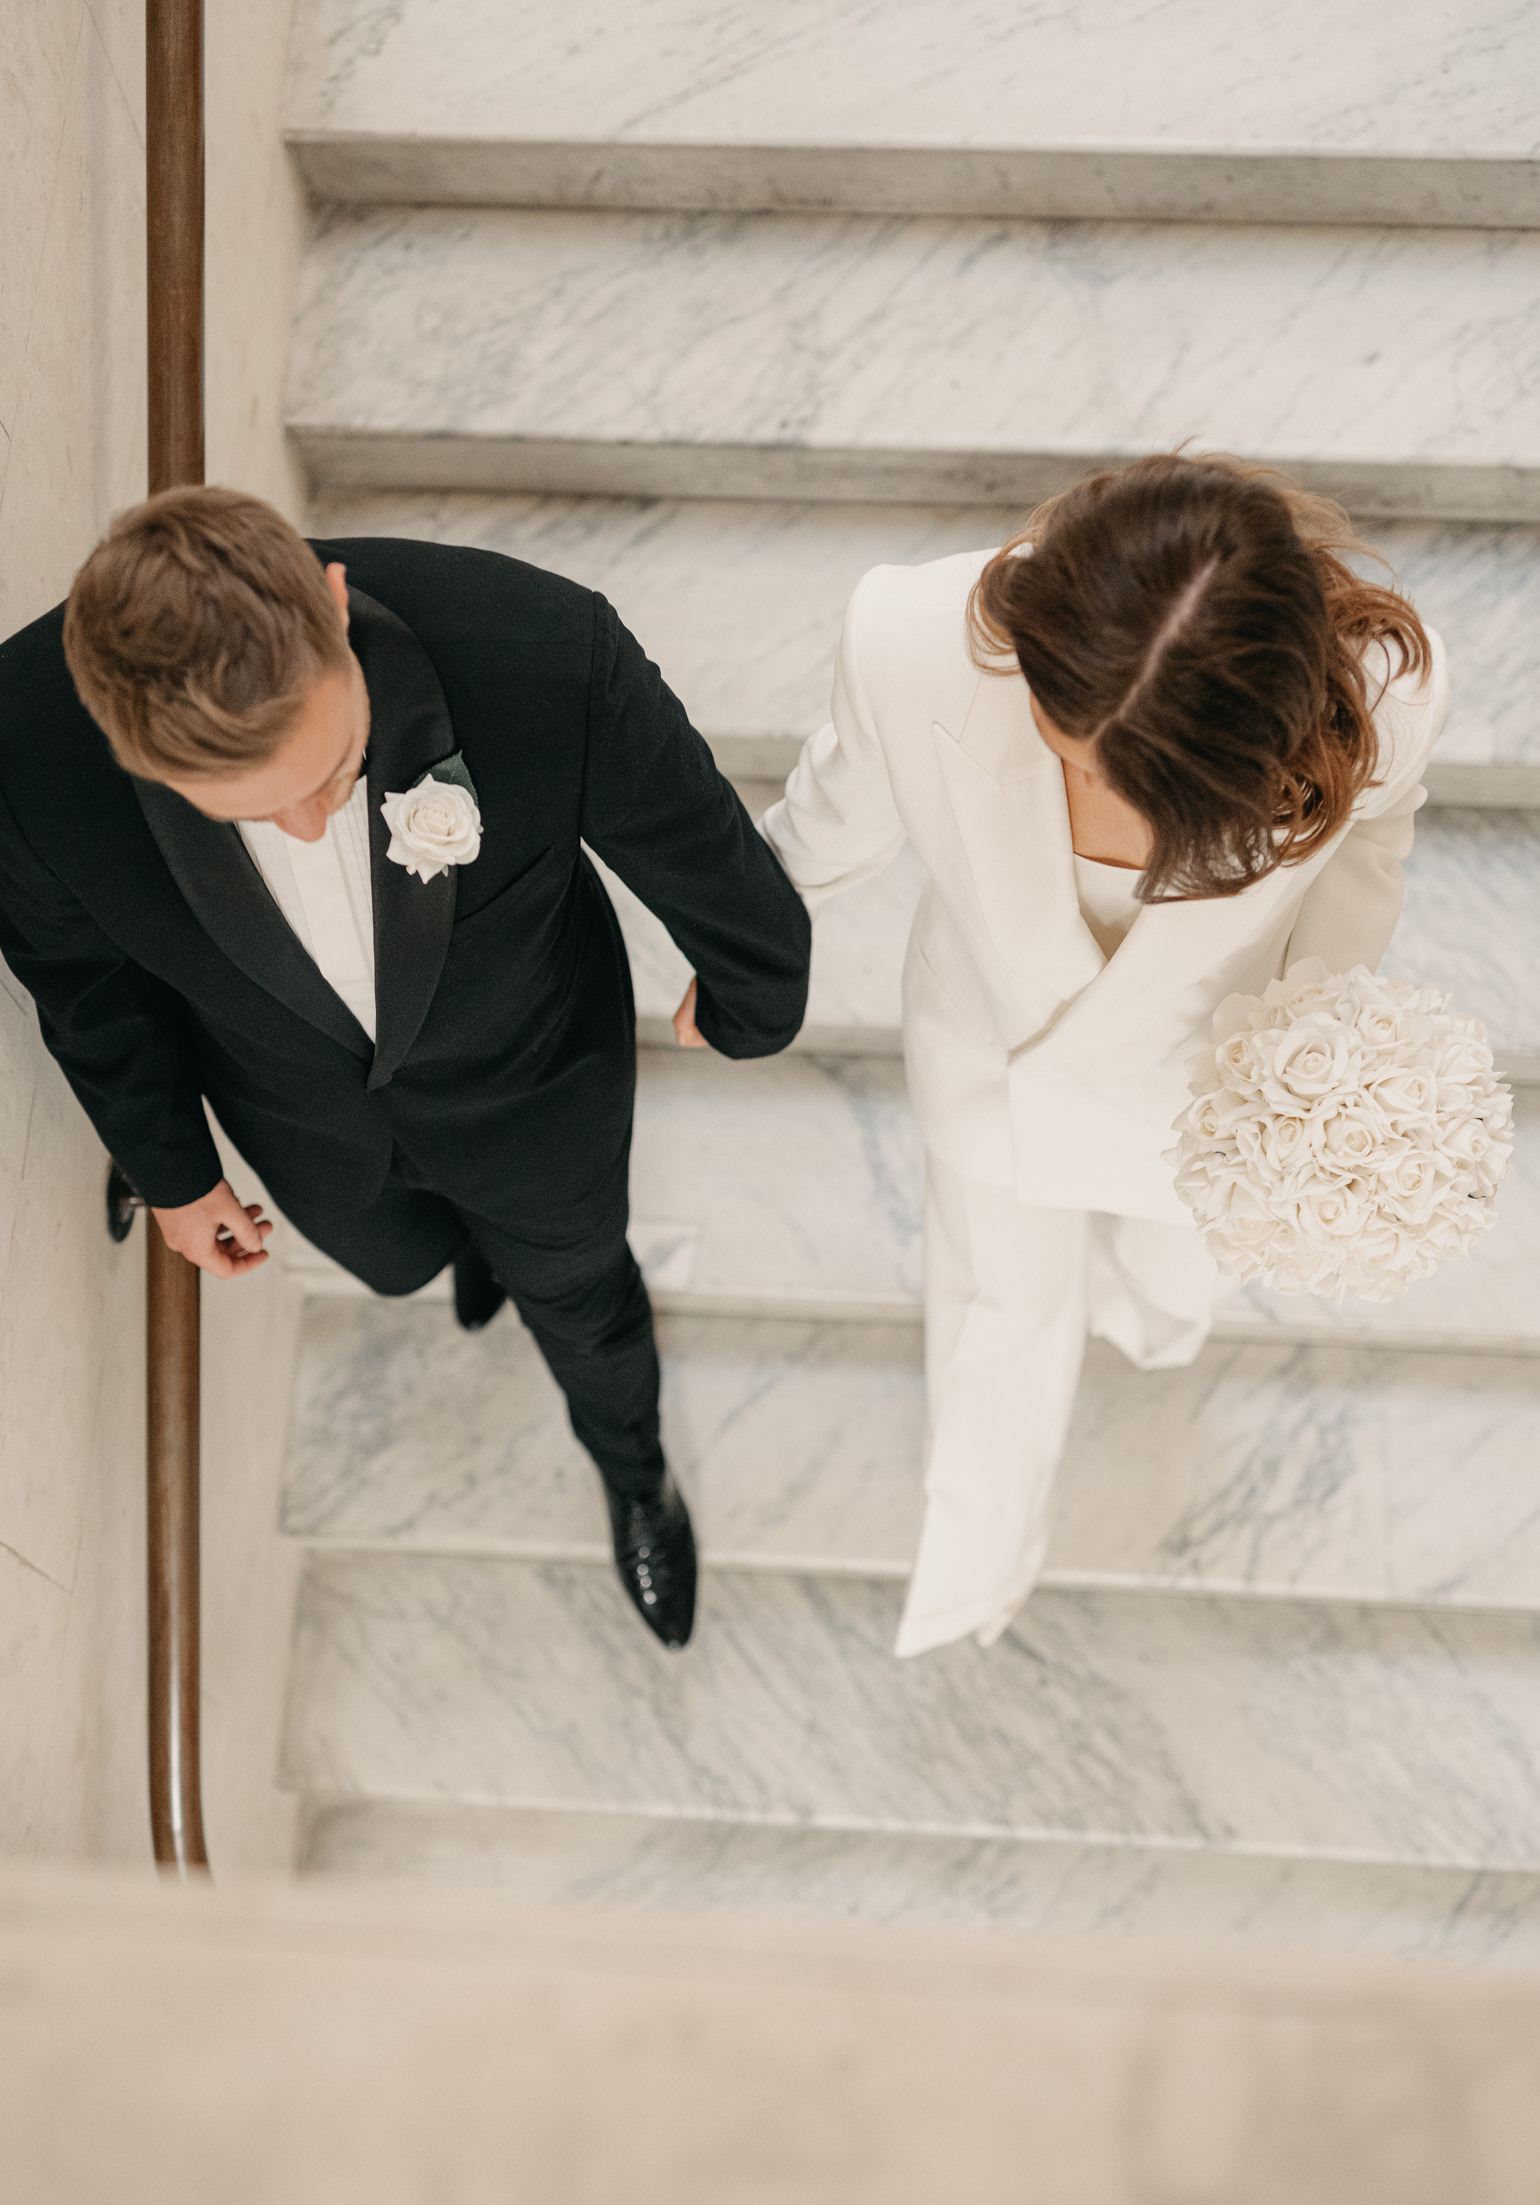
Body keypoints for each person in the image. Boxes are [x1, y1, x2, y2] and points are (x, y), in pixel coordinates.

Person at [0, 487, 811, 1650]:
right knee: (398, 1262)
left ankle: (636, 1474)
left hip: (535, 1092)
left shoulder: (540, 653)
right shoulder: (27, 751)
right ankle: (460, 1260)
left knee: (582, 1302)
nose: (299, 826)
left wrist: (748, 1007)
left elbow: (716, 872)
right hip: (303, 1126)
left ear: (334, 605)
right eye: (244, 809)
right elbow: (80, 982)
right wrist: (171, 1171)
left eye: (327, 772)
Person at [758, 452, 1448, 1657]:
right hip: (996, 1067)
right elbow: (838, 805)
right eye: (1063, 742)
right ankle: (974, 1576)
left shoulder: (1380, 699)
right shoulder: (908, 635)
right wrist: (744, 940)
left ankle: (1149, 1321)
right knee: (996, 1314)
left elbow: (1370, 849)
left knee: (1177, 1276)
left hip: (1209, 1091)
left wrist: (1322, 1029)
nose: (1081, 780)